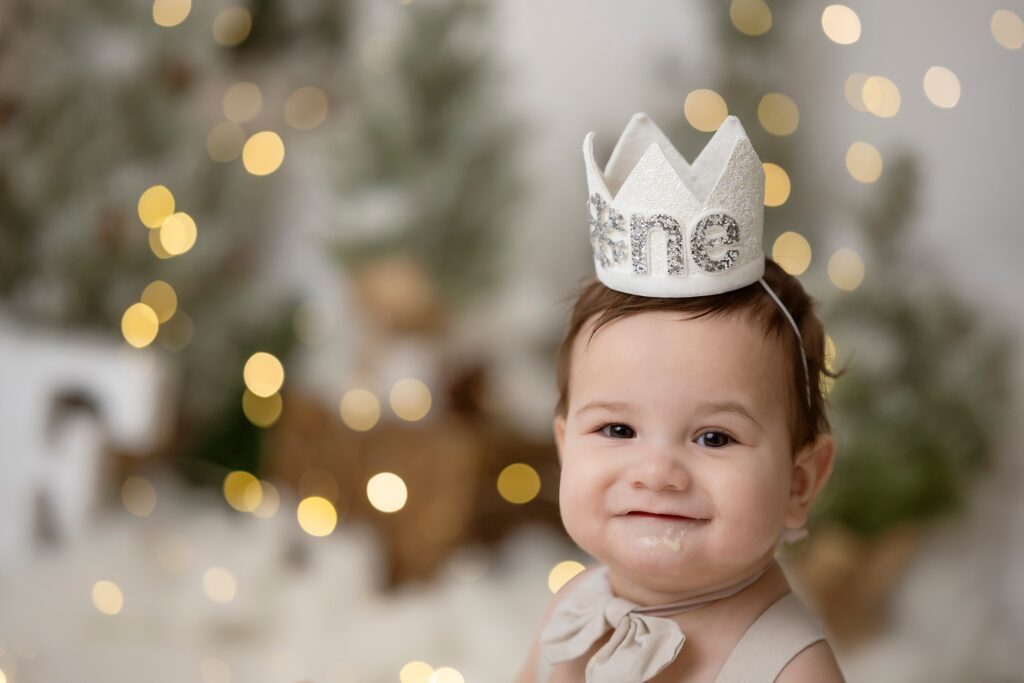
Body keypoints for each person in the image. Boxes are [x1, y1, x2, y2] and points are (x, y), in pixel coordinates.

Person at [515, 113, 847, 682]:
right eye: (617, 430)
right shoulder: (571, 614)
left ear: (799, 482)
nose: (657, 473)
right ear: (566, 448)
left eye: (714, 437)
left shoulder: (791, 671)